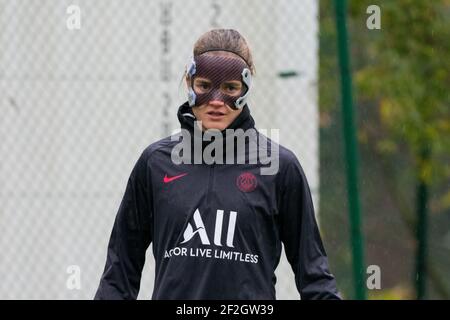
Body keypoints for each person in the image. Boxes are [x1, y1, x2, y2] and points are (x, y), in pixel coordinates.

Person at [94, 29, 340, 300]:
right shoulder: (154, 164)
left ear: (245, 88)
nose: (216, 101)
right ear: (189, 82)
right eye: (205, 85)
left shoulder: (279, 168)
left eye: (230, 88)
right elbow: (119, 273)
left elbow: (314, 275)